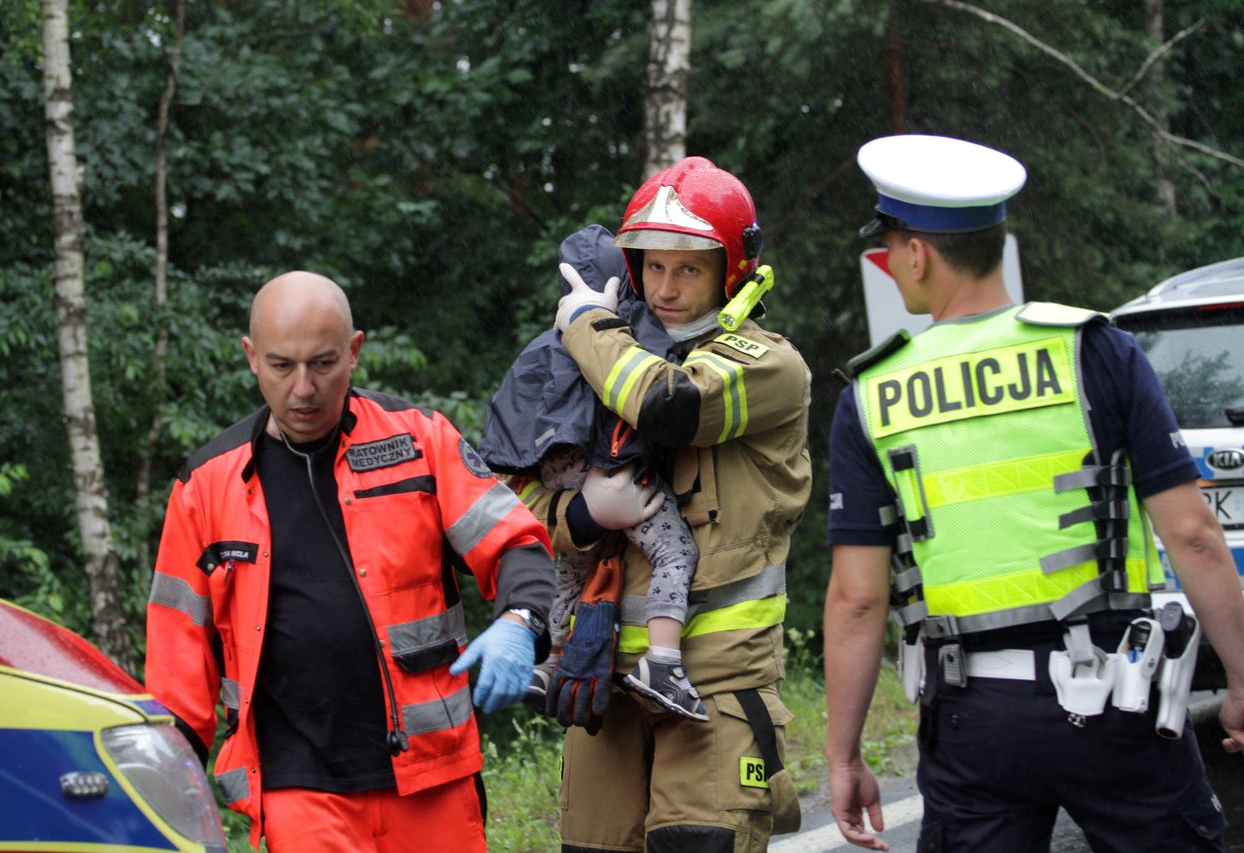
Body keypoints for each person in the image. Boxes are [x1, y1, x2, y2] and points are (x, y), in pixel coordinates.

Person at [823, 133, 1244, 853]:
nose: (891, 265)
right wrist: (1240, 676)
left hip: (971, 718)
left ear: (917, 253)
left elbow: (857, 598)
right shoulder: (1096, 349)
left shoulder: (872, 395)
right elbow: (1194, 534)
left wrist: (844, 754)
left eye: (890, 245)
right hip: (1121, 697)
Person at [144, 271, 555, 852]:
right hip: (296, 786)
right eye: (282, 366)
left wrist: (520, 622)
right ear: (251, 358)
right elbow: (178, 652)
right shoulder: (206, 486)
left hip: (429, 770)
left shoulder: (420, 441)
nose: (304, 388)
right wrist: (164, 780)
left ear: (356, 351)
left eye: (324, 363)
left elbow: (517, 543)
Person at [514, 156, 813, 851]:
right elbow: (513, 496)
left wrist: (586, 322)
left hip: (716, 686)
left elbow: (665, 404)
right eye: (652, 267)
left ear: (730, 270)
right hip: (602, 685)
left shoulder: (767, 362)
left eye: (689, 268)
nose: (666, 287)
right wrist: (582, 516)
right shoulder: (595, 363)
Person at [479, 224, 707, 721]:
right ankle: (664, 662)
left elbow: (509, 415)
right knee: (674, 550)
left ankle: (550, 664)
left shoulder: (543, 344)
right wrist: (588, 506)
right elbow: (658, 393)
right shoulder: (625, 330)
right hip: (613, 465)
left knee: (570, 571)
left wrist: (548, 477)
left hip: (554, 468)